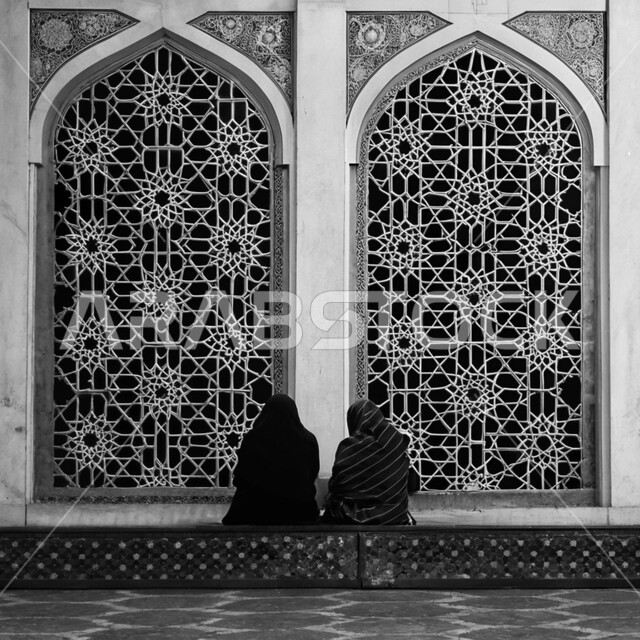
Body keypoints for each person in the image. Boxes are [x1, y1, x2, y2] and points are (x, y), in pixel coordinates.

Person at [222, 394, 320, 525]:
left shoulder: (253, 439)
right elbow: (312, 474)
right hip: (298, 511)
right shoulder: (308, 440)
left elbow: (241, 478)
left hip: (254, 511)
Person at [322, 398, 412, 525]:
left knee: (333, 508)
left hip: (353, 517)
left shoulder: (349, 447)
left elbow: (337, 485)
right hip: (393, 515)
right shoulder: (395, 442)